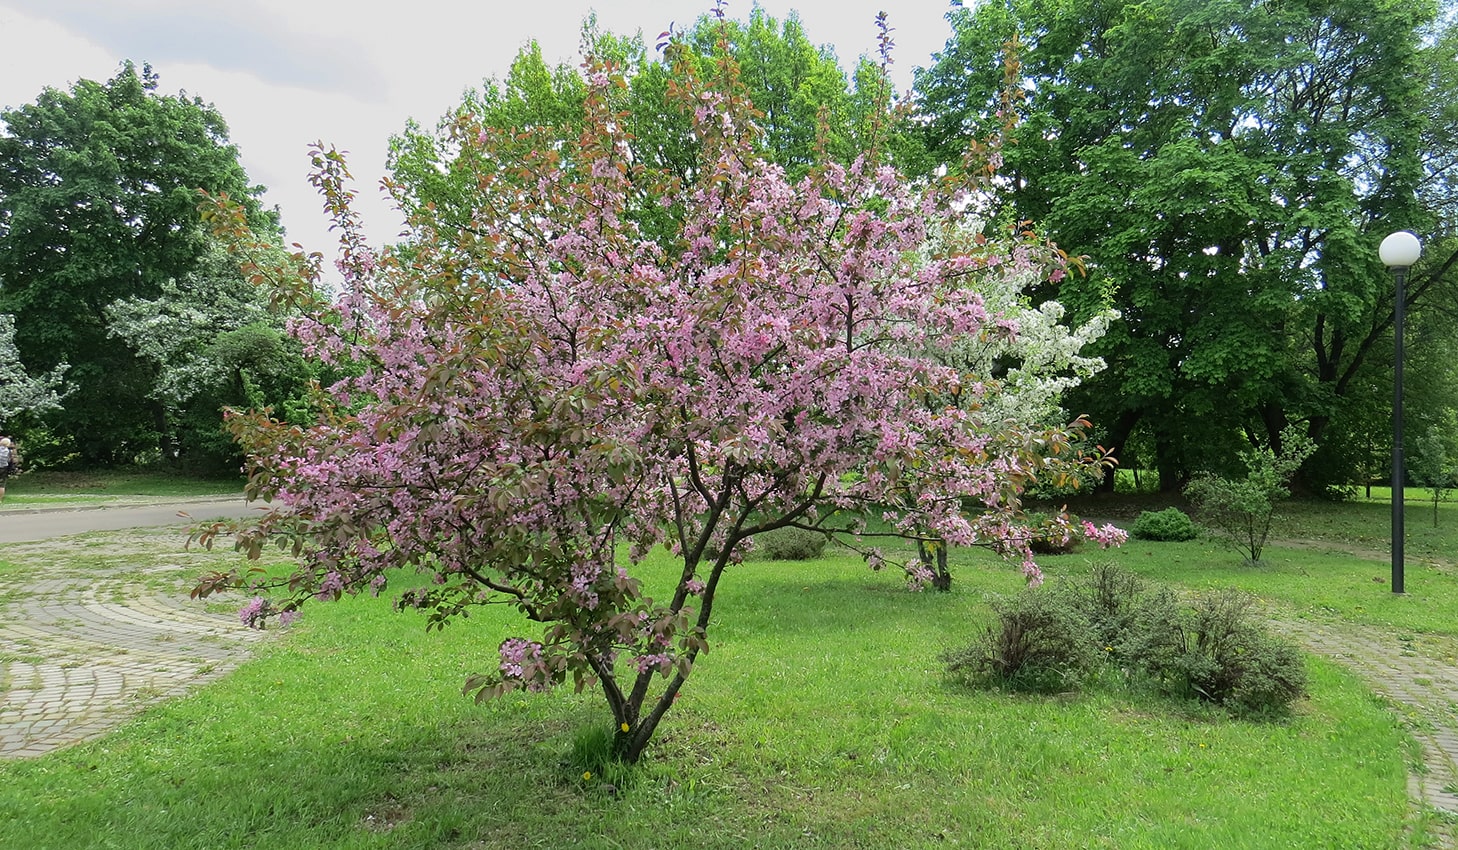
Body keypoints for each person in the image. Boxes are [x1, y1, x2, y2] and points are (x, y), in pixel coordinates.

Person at [0, 437, 13, 503]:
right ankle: (0, 500)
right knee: (2, 485)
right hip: (4, 468)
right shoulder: (9, 451)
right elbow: (10, 461)